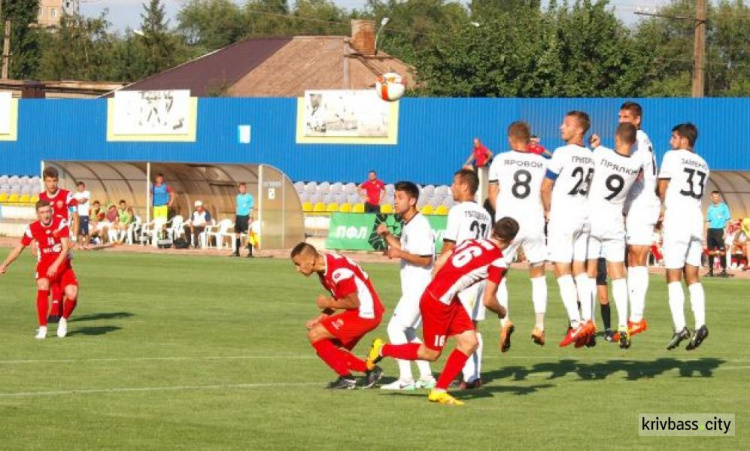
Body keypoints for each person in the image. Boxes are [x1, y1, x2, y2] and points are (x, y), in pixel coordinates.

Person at [365, 217, 519, 406]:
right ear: (511, 241)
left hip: (443, 296)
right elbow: (488, 300)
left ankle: (439, 390)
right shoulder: (498, 261)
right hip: (439, 302)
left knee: (470, 342)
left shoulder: (473, 242)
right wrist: (503, 312)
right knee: (430, 353)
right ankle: (382, 348)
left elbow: (442, 259)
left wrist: (439, 284)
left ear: (493, 230)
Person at [488, 121, 549, 349]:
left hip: (508, 225)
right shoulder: (542, 162)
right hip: (534, 221)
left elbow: (492, 192)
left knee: (500, 274)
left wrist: (501, 215)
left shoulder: (500, 159)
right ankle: (539, 325)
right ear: (529, 139)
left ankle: (505, 320)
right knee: (538, 273)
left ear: (510, 138)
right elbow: (546, 190)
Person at [290, 243, 384, 389]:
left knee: (315, 335)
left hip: (366, 313)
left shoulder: (338, 271)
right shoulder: (324, 267)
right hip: (361, 312)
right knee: (329, 349)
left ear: (310, 260)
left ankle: (347, 378)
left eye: (298, 264)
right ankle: (370, 370)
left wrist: (327, 302)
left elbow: (353, 302)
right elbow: (340, 297)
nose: (297, 269)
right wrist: (321, 317)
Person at [585, 123, 644, 349]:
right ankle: (622, 325)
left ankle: (589, 324)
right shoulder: (636, 164)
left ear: (616, 136)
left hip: (594, 220)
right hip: (615, 223)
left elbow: (597, 152)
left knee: (590, 273)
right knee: (618, 275)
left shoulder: (601, 154)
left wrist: (597, 145)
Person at [540, 111, 595, 347]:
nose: (562, 127)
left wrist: (547, 211)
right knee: (580, 270)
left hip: (564, 216)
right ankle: (589, 320)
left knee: (561, 270)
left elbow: (545, 186)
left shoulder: (562, 153)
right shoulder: (591, 156)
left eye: (568, 124)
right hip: (584, 216)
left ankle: (575, 324)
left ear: (579, 130)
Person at [375, 181, 436, 391]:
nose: (395, 202)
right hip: (414, 287)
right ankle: (427, 376)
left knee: (395, 328)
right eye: (395, 197)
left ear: (412, 200)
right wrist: (387, 236)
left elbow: (426, 259)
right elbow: (404, 248)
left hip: (419, 287)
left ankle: (406, 379)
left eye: (400, 198)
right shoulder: (410, 224)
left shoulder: (420, 225)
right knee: (408, 332)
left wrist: (400, 254)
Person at [659, 123, 710, 351]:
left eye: (673, 137)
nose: (671, 141)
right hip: (695, 219)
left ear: (683, 140)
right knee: (693, 275)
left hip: (677, 218)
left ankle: (680, 326)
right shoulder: (704, 164)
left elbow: (663, 186)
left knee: (672, 274)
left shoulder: (672, 156)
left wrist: (659, 209)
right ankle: (700, 323)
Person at [441, 169, 492, 389]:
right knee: (473, 325)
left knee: (462, 327)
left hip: (463, 276)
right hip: (481, 274)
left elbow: (449, 245)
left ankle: (469, 376)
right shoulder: (485, 214)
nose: (452, 186)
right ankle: (473, 373)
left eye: (454, 183)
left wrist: (440, 273)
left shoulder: (458, 211)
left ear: (465, 186)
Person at [0, 200, 79, 339]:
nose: (46, 215)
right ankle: (43, 328)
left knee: (72, 293)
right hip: (44, 266)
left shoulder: (60, 223)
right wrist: (5, 264)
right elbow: (19, 248)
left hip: (63, 265)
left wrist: (55, 265)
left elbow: (65, 247)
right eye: (42, 212)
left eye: (48, 211)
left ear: (51, 211)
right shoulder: (32, 228)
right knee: (42, 286)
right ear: (37, 214)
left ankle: (63, 320)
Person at [620, 102, 658, 339]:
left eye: (626, 116)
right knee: (633, 257)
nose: (621, 120)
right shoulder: (638, 138)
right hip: (636, 204)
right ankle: (633, 317)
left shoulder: (639, 139)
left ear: (637, 120)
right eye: (620, 116)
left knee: (639, 257)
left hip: (642, 202)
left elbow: (636, 171)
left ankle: (637, 317)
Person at [39, 167, 78, 323]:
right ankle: (58, 307)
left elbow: (76, 216)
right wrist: (35, 241)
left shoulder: (67, 196)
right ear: (45, 181)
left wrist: (73, 236)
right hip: (47, 244)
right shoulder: (41, 197)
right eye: (49, 181)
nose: (52, 184)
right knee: (49, 275)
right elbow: (38, 220)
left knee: (59, 271)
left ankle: (55, 310)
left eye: (55, 180)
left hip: (63, 242)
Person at [706, 191, 731, 277]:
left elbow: (728, 220)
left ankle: (723, 270)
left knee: (722, 252)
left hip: (720, 230)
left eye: (717, 197)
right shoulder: (710, 208)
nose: (716, 198)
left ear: (719, 198)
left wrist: (726, 232)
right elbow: (708, 221)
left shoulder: (724, 207)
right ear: (711, 197)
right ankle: (710, 271)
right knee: (710, 252)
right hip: (711, 231)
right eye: (714, 197)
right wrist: (706, 232)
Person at [233, 183, 254, 258]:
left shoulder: (249, 197)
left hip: (246, 216)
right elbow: (237, 207)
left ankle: (250, 252)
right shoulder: (238, 197)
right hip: (239, 217)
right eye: (240, 188)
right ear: (239, 189)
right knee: (237, 234)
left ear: (245, 188)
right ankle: (237, 252)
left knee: (248, 234)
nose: (242, 189)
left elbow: (251, 208)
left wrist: (250, 217)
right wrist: (235, 217)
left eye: (243, 188)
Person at [74, 181, 90, 250]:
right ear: (77, 187)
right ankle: (80, 245)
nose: (80, 188)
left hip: (85, 214)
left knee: (86, 231)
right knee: (79, 231)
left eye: (81, 186)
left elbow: (83, 201)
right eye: (79, 187)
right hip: (78, 215)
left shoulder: (87, 193)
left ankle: (86, 245)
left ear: (84, 187)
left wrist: (76, 201)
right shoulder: (76, 194)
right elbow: (73, 203)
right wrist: (78, 200)